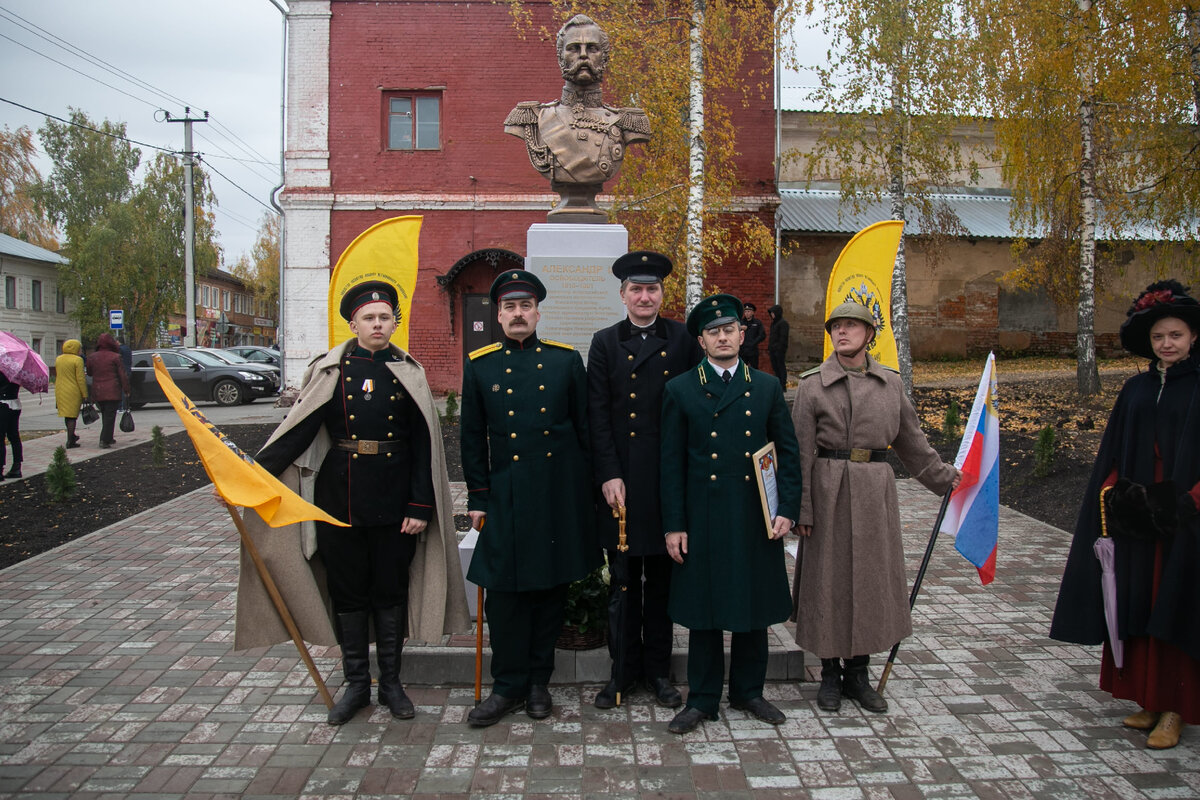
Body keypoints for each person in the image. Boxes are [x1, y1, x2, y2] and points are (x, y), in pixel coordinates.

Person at [252, 280, 470, 725]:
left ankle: (391, 684)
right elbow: (297, 432)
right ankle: (356, 686)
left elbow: (423, 445)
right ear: (353, 323)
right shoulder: (330, 371)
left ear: (394, 323)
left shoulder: (409, 371)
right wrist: (249, 477)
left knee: (390, 593)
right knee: (348, 594)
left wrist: (420, 506)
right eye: (368, 318)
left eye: (384, 317)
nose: (377, 324)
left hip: (395, 504)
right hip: (340, 500)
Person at [1050, 279, 1200, 750]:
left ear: (1192, 337)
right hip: (1139, 518)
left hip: (1186, 518)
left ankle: (1176, 708)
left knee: (1177, 603)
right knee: (1139, 600)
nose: (1167, 344)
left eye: (1175, 335)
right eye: (1158, 337)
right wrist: (1114, 491)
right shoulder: (1135, 389)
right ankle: (1147, 698)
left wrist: (1191, 500)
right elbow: (1113, 453)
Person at [790, 301, 960, 714]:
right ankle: (830, 673)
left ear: (869, 335)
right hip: (828, 487)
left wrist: (945, 478)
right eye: (836, 327)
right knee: (828, 579)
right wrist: (802, 511)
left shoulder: (891, 385)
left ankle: (859, 674)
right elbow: (798, 455)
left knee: (869, 580)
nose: (842, 333)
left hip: (873, 493)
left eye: (852, 327)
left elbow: (912, 444)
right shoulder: (812, 386)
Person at [461, 269, 601, 726]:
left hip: (556, 494)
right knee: (502, 596)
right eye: (509, 308)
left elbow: (584, 432)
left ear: (538, 312)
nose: (518, 315)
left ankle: (539, 682)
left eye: (525, 307)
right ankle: (507, 686)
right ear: (498, 315)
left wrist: (584, 496)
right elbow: (471, 437)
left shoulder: (564, 362)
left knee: (548, 592)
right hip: (504, 496)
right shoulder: (480, 364)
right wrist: (478, 496)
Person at [659, 293, 802, 734]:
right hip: (702, 516)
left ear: (742, 334)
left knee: (751, 605)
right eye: (713, 332)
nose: (723, 337)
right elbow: (671, 465)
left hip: (754, 514)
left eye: (730, 330)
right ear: (701, 341)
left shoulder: (766, 387)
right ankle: (702, 699)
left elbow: (788, 454)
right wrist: (674, 525)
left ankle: (748, 691)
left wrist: (788, 510)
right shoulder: (680, 389)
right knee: (704, 611)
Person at [587, 250, 702, 709]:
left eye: (652, 289)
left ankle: (658, 672)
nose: (644, 296)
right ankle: (621, 673)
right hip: (622, 484)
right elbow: (596, 413)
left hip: (665, 480)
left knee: (661, 582)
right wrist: (608, 473)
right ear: (622, 295)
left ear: (662, 294)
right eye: (636, 289)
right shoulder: (604, 342)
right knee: (622, 583)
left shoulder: (682, 339)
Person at [504, 14, 651, 219]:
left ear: (605, 57)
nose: (583, 56)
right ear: (560, 56)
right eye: (574, 48)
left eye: (592, 48)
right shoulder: (533, 118)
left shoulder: (628, 123)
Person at [86, 333, 130, 449]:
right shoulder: (115, 357)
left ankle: (109, 437)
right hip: (112, 390)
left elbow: (90, 373)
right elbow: (122, 375)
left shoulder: (92, 357)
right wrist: (126, 389)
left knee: (106, 415)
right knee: (110, 416)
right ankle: (104, 440)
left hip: (98, 391)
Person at [54, 339, 87, 449]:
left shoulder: (59, 359)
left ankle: (71, 436)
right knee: (72, 416)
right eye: (79, 348)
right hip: (73, 390)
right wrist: (85, 394)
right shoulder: (77, 360)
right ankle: (70, 441)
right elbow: (80, 379)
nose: (80, 350)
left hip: (60, 389)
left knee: (67, 415)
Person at [0, 373, 21, 479]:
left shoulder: (2, 370)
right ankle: (17, 467)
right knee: (14, 436)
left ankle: (0, 469)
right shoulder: (16, 369)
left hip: (3, 404)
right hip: (15, 403)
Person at [767, 304, 790, 391]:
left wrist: (779, 348)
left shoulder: (783, 323)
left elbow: (783, 338)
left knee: (780, 367)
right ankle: (778, 384)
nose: (772, 315)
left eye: (773, 313)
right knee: (775, 367)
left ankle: (783, 385)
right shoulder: (773, 324)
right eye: (771, 313)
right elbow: (772, 337)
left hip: (779, 350)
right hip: (773, 349)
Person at [738, 302, 765, 369]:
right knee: (742, 369)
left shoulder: (757, 323)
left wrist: (753, 343)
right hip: (742, 351)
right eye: (745, 311)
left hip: (753, 351)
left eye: (749, 311)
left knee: (754, 369)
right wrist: (739, 328)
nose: (747, 313)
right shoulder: (741, 322)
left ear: (753, 312)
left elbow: (762, 335)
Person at [117, 335, 133, 412]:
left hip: (123, 371)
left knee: (121, 390)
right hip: (128, 370)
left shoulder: (120, 349)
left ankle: (122, 407)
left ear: (118, 342)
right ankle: (127, 406)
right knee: (126, 389)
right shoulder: (128, 348)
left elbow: (118, 360)